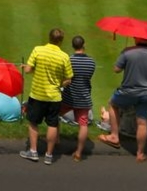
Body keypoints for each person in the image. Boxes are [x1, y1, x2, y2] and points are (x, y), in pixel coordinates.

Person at [97, 35, 147, 162]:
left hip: (129, 91)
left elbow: (116, 69)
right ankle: (140, 153)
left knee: (112, 104)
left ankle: (114, 136)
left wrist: (124, 57)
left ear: (138, 39)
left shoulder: (128, 52)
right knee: (142, 122)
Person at [20, 28, 72, 164]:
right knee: (52, 124)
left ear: (49, 37)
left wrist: (28, 67)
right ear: (61, 41)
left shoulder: (38, 50)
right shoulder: (64, 57)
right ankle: (49, 155)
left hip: (37, 94)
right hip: (54, 96)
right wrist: (59, 84)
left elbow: (28, 70)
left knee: (33, 122)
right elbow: (68, 79)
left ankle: (33, 151)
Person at [63, 35, 95, 161]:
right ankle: (78, 153)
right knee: (83, 124)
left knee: (54, 117)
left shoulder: (68, 60)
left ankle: (56, 141)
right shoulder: (91, 62)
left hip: (68, 96)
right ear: (84, 45)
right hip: (84, 97)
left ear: (73, 45)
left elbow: (66, 78)